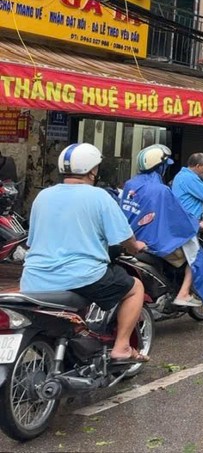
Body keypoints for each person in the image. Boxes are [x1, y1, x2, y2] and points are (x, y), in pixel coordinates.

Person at [21, 143, 148, 362]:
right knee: (135, 288)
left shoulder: (43, 197)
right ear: (92, 171)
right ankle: (121, 347)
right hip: (83, 276)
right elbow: (124, 237)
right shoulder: (99, 197)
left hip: (33, 278)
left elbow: (33, 240)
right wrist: (136, 247)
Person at [120, 144, 203, 308]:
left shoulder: (130, 185)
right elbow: (178, 217)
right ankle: (183, 294)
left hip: (130, 238)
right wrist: (197, 224)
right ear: (159, 167)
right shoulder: (161, 190)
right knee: (195, 256)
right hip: (152, 242)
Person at [172, 153, 203, 226]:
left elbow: (198, 188)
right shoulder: (189, 178)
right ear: (198, 166)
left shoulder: (184, 175)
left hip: (184, 218)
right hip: (188, 220)